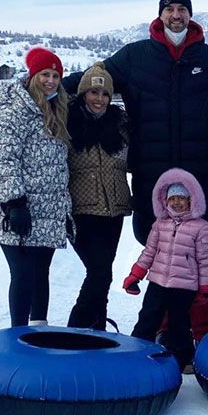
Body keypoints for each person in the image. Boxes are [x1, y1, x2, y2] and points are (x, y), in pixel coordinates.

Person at [63, 0, 208, 340]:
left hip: (197, 175)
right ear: (159, 13)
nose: (175, 15)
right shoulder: (135, 57)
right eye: (169, 8)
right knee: (160, 252)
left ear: (190, 14)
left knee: (197, 253)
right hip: (152, 178)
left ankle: (202, 334)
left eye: (182, 8)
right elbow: (95, 78)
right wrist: (48, 86)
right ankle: (165, 333)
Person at [0, 47, 73, 327]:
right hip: (18, 210)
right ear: (32, 75)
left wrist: (65, 210)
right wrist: (15, 203)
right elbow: (3, 159)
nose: (50, 81)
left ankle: (39, 330)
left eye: (56, 76)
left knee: (40, 273)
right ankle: (19, 335)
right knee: (23, 274)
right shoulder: (14, 110)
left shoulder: (55, 108)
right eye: (44, 74)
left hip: (48, 209)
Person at [123, 168, 208, 370]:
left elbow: (205, 260)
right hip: (157, 281)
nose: (177, 202)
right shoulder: (160, 224)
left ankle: (183, 359)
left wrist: (206, 288)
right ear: (165, 201)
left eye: (182, 198)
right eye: (173, 198)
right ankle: (136, 351)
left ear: (192, 200)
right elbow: (149, 252)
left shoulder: (201, 227)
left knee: (179, 323)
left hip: (184, 285)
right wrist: (135, 274)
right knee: (148, 316)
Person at [66, 62, 132, 330]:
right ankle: (76, 332)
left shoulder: (120, 125)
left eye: (105, 94)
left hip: (114, 210)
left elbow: (134, 160)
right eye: (93, 92)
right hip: (81, 211)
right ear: (83, 94)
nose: (99, 99)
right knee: (99, 272)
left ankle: (97, 331)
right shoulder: (68, 124)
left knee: (104, 274)